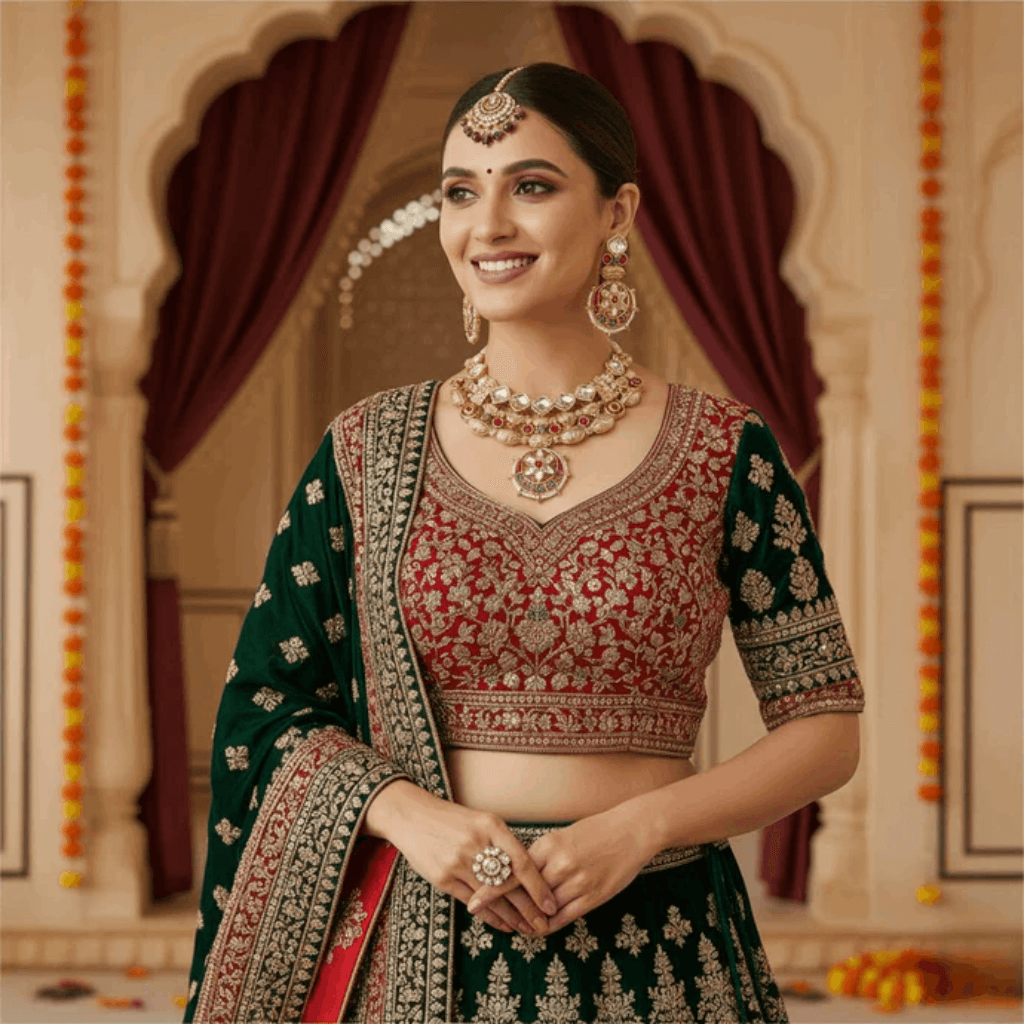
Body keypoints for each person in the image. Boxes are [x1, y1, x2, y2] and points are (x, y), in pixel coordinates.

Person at [184, 63, 864, 1024]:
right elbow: (265, 706)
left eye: (532, 187)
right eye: (461, 192)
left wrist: (642, 826)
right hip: (418, 947)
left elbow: (826, 726)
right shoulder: (367, 450)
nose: (487, 226)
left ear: (616, 211)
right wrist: (409, 815)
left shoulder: (723, 448)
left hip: (661, 945)